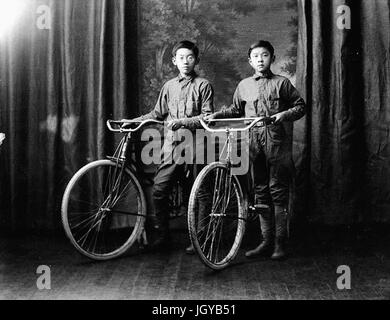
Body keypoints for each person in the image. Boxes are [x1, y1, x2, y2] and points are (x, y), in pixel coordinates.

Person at [205, 40, 306, 260]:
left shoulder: (282, 83)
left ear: (272, 58)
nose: (260, 60)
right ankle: (265, 241)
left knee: (278, 191)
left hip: (276, 142)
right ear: (250, 61)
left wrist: (284, 115)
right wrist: (217, 115)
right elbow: (234, 109)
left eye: (265, 55)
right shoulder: (244, 85)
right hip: (254, 142)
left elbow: (300, 106)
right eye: (256, 56)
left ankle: (280, 244)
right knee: (260, 190)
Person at [127, 40, 214, 252]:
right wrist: (134, 121)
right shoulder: (169, 86)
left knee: (199, 193)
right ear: (174, 61)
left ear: (196, 60)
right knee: (160, 189)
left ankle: (199, 239)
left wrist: (183, 122)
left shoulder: (203, 85)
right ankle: (163, 236)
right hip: (173, 146)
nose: (186, 61)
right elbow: (156, 114)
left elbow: (208, 117)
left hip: (198, 145)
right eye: (181, 58)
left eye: (190, 57)